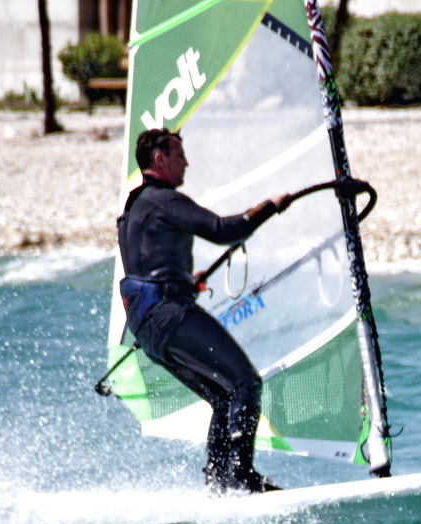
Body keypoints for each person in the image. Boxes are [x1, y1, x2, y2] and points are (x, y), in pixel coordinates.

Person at [117, 128, 292, 493]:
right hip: (168, 313)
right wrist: (270, 206)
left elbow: (146, 262)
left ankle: (218, 482)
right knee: (246, 382)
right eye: (180, 155)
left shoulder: (135, 208)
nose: (187, 163)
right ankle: (242, 475)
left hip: (146, 325)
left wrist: (182, 279)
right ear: (159, 159)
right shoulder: (164, 199)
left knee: (224, 396)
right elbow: (223, 229)